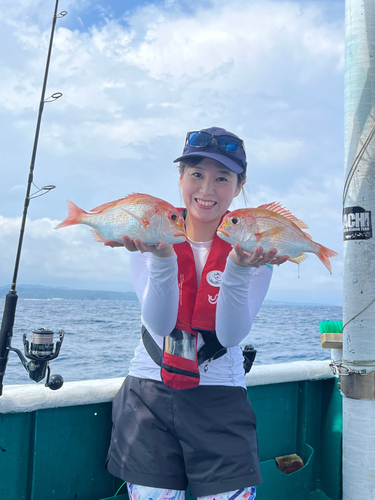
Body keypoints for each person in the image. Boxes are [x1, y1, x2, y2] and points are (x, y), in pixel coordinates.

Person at [105, 127, 289, 500]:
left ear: (239, 186)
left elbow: (232, 335)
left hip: (222, 394)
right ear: (181, 178)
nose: (207, 190)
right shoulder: (152, 235)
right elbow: (157, 323)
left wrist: (238, 268)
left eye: (222, 178)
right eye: (197, 175)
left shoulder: (256, 246)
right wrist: (161, 258)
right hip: (148, 393)